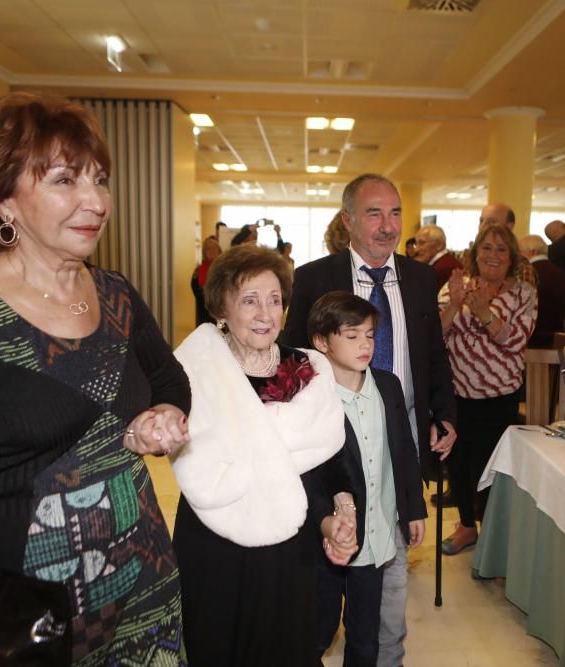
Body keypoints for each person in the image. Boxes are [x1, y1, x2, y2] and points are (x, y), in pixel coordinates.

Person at [0, 92, 191, 666]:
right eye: (64, 180)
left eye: (99, 179)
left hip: (145, 592)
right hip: (31, 623)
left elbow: (169, 378)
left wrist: (159, 415)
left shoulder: (117, 295)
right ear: (5, 200)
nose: (96, 201)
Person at [282, 173, 457, 667]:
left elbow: (432, 355)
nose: (387, 226)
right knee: (327, 573)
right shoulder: (316, 277)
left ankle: (385, 653)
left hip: (397, 435)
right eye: (375, 214)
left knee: (388, 564)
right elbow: (291, 357)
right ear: (348, 221)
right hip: (333, 442)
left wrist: (443, 412)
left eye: (396, 213)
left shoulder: (422, 278)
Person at [170, 245, 358, 666]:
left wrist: (342, 508)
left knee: (284, 644)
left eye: (274, 300)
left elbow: (331, 456)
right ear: (221, 309)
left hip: (287, 543)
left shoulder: (308, 369)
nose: (264, 313)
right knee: (216, 643)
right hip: (213, 536)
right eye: (249, 300)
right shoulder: (194, 371)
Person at [308, 292, 427, 667]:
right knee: (319, 628)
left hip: (376, 536)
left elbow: (405, 453)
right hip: (329, 537)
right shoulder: (312, 397)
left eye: (371, 335)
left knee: (365, 634)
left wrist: (414, 508)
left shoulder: (388, 387)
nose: (365, 345)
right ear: (321, 341)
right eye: (352, 335)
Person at [438, 224, 537, 554]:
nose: (492, 255)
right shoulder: (457, 287)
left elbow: (514, 341)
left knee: (492, 468)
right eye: (486, 248)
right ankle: (467, 526)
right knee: (459, 465)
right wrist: (454, 304)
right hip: (456, 393)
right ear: (474, 253)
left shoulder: (524, 293)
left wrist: (482, 312)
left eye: (501, 249)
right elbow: (435, 335)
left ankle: (494, 536)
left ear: (512, 258)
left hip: (498, 397)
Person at [519, 234, 565, 348]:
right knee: (563, 367)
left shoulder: (527, 274)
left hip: (532, 342)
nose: (518, 257)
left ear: (533, 252)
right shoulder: (561, 274)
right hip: (558, 340)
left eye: (520, 252)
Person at [413, 224, 462, 291]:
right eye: (416, 244)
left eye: (422, 243)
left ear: (439, 245)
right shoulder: (447, 262)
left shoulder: (440, 269)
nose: (416, 250)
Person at [190, 235, 221, 326]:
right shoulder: (198, 271)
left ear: (219, 251)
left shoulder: (225, 268)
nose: (211, 251)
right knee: (206, 336)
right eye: (208, 249)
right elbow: (196, 291)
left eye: (214, 248)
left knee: (224, 336)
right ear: (204, 253)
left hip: (222, 314)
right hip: (205, 314)